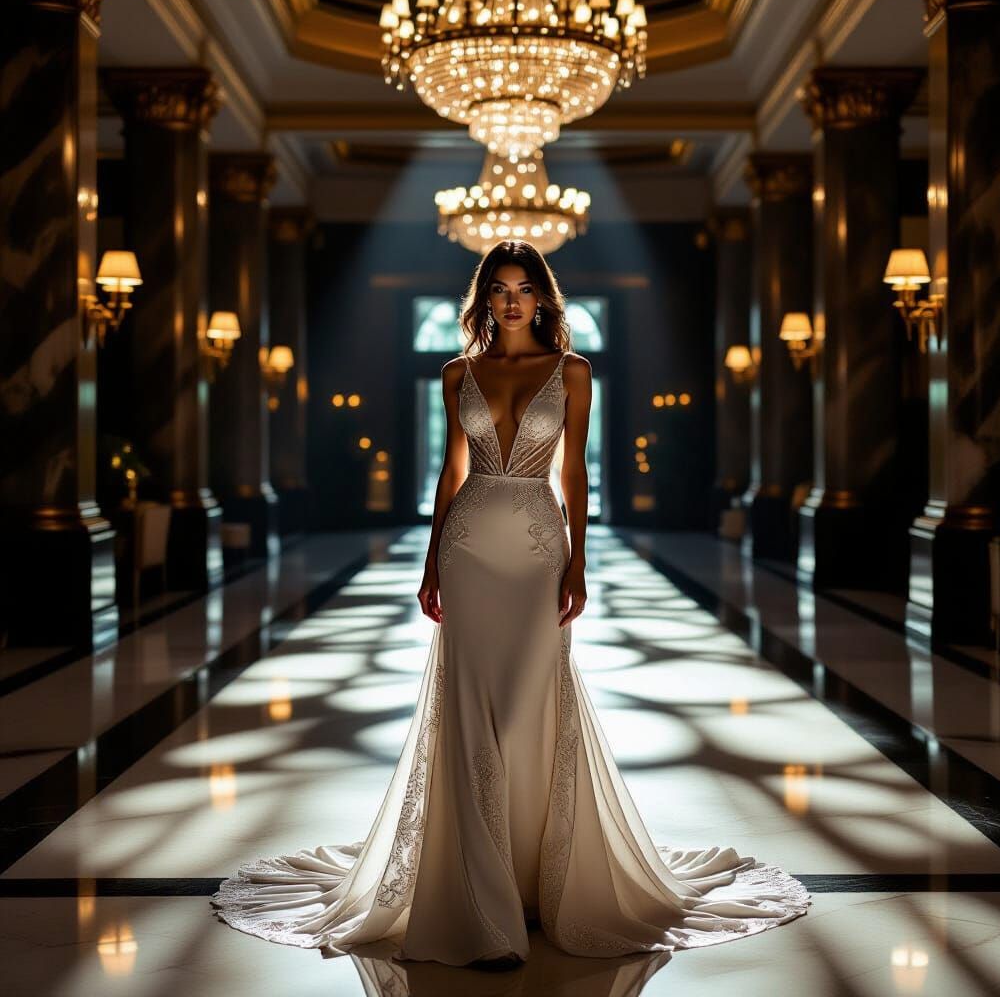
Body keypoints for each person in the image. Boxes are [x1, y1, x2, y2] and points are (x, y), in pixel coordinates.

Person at [212, 240, 811, 967]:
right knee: (468, 708)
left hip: (536, 548)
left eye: (525, 288)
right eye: (499, 289)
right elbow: (449, 470)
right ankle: (478, 901)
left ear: (543, 299)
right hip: (468, 547)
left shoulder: (574, 372)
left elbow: (576, 472)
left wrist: (580, 561)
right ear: (483, 299)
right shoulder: (455, 372)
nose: (512, 300)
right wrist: (432, 557)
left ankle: (537, 886)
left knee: (533, 707)